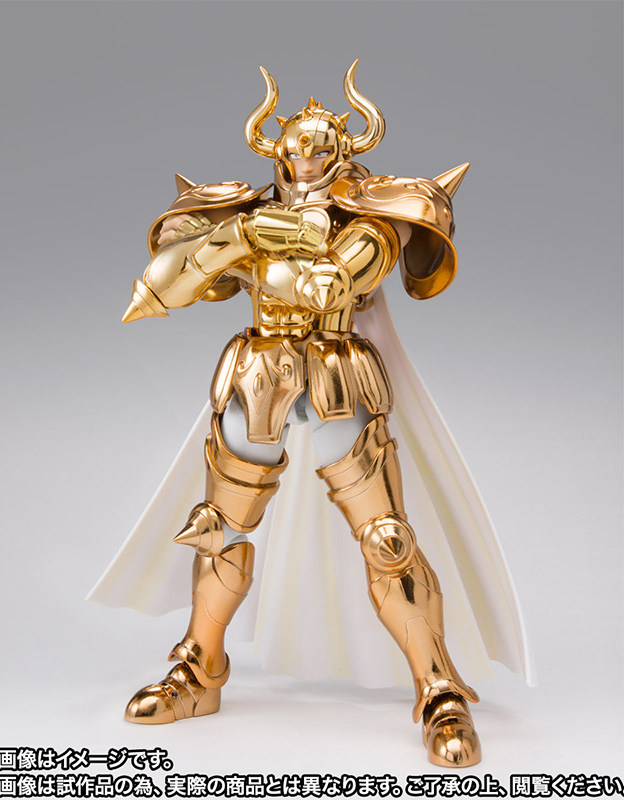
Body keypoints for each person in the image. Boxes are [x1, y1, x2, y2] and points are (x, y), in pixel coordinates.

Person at [90, 62, 532, 767]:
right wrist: (239, 237)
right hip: (256, 375)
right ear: (276, 148)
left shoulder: (370, 218)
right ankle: (200, 668)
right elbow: (174, 283)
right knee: (217, 531)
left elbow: (330, 281)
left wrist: (247, 244)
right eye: (297, 146)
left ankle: (438, 687)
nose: (307, 157)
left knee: (387, 540)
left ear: (345, 150)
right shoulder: (241, 210)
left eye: (322, 146)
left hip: (337, 379)